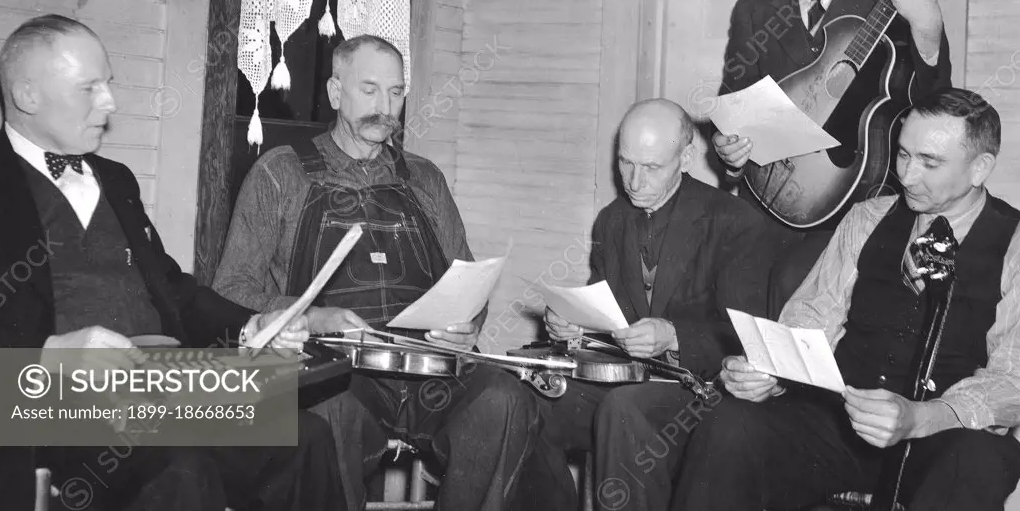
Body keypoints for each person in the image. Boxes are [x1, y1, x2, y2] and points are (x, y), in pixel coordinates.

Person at [0, 14, 345, 511]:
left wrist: (251, 327)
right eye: (89, 89)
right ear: (28, 96)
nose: (110, 103)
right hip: (47, 401)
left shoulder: (115, 179)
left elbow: (171, 287)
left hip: (164, 383)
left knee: (304, 436)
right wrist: (50, 350)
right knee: (182, 464)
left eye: (109, 85)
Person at [213, 34, 573, 511]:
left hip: (430, 372)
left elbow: (467, 279)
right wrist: (315, 318)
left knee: (502, 399)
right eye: (369, 90)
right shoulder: (280, 173)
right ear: (335, 92)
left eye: (396, 92)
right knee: (325, 415)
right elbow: (231, 291)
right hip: (338, 373)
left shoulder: (423, 178)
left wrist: (467, 325)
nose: (385, 107)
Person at [673, 87, 1020, 511]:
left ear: (980, 167)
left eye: (930, 162)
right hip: (839, 429)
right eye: (903, 154)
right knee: (729, 425)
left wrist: (920, 419)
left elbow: (1013, 377)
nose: (907, 176)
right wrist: (771, 372)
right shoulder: (868, 218)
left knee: (981, 460)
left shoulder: (1015, 244)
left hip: (940, 441)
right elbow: (810, 317)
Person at [712, 0, 953, 317]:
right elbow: (732, 110)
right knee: (724, 282)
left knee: (798, 295)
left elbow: (939, 106)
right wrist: (728, 150)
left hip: (859, 203)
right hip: (770, 201)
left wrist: (927, 24)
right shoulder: (754, 11)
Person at [534, 99, 771, 510]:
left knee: (625, 409)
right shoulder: (612, 220)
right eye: (626, 163)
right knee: (531, 396)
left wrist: (675, 335)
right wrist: (575, 327)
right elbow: (605, 310)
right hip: (627, 381)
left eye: (651, 167)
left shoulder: (734, 221)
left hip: (702, 391)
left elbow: (745, 338)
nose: (634, 182)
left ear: (687, 157)